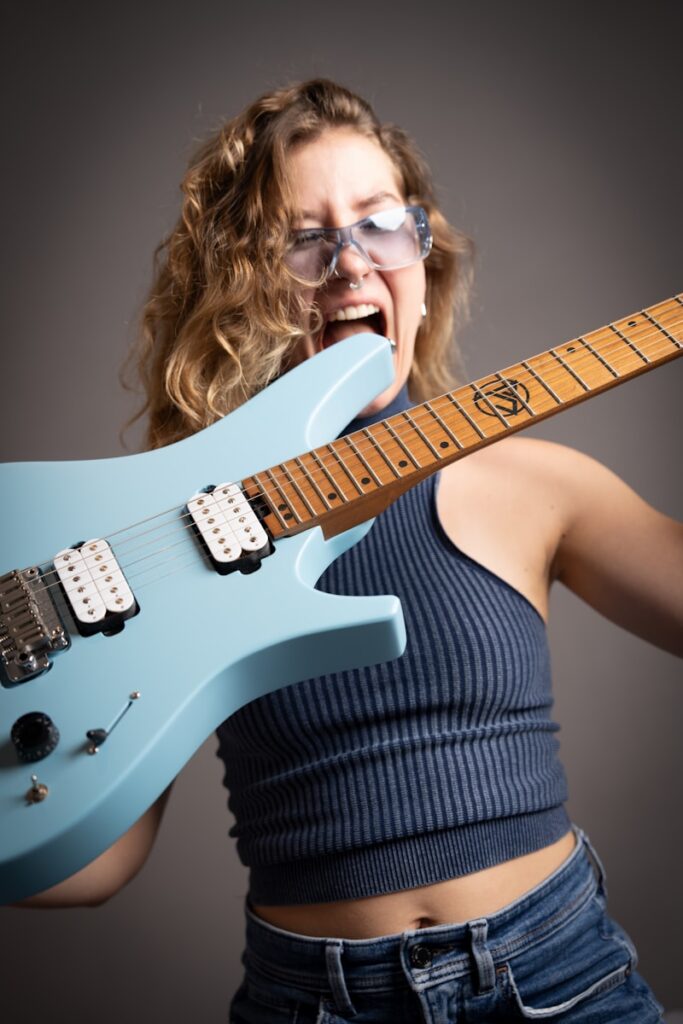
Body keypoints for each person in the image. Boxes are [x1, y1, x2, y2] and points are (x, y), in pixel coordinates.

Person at [17, 79, 681, 1022]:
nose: (349, 263)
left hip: (561, 976)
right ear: (242, 281)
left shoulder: (530, 481)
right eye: (301, 237)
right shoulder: (171, 531)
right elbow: (98, 863)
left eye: (379, 223)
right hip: (312, 1004)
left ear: (422, 254)